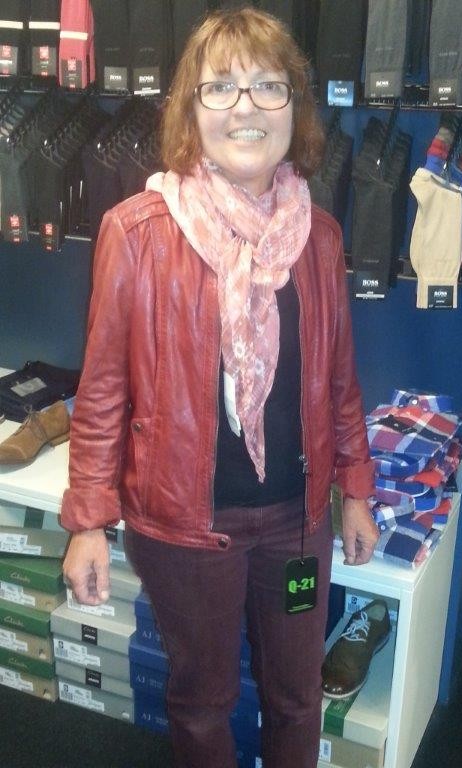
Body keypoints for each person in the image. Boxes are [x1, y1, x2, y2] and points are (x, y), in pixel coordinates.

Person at [61, 7, 378, 768]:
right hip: (185, 530)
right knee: (202, 701)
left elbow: (338, 382)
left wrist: (357, 490)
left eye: (268, 86)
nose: (246, 107)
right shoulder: (137, 232)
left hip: (298, 526)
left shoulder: (320, 237)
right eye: (221, 88)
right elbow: (102, 393)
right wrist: (87, 522)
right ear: (190, 109)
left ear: (293, 109)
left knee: (296, 696)